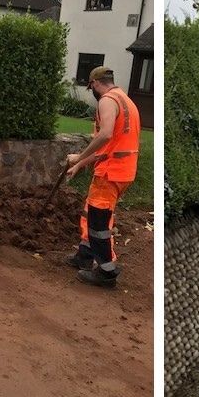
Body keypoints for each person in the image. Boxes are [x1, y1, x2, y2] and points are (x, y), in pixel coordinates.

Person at [63, 66, 140, 288]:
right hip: (122, 170)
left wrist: (79, 156)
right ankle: (84, 255)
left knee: (98, 222)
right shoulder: (126, 100)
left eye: (91, 87)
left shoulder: (107, 100)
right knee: (90, 213)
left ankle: (107, 272)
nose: (93, 91)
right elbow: (109, 145)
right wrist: (80, 165)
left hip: (110, 172)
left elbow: (104, 135)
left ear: (96, 83)